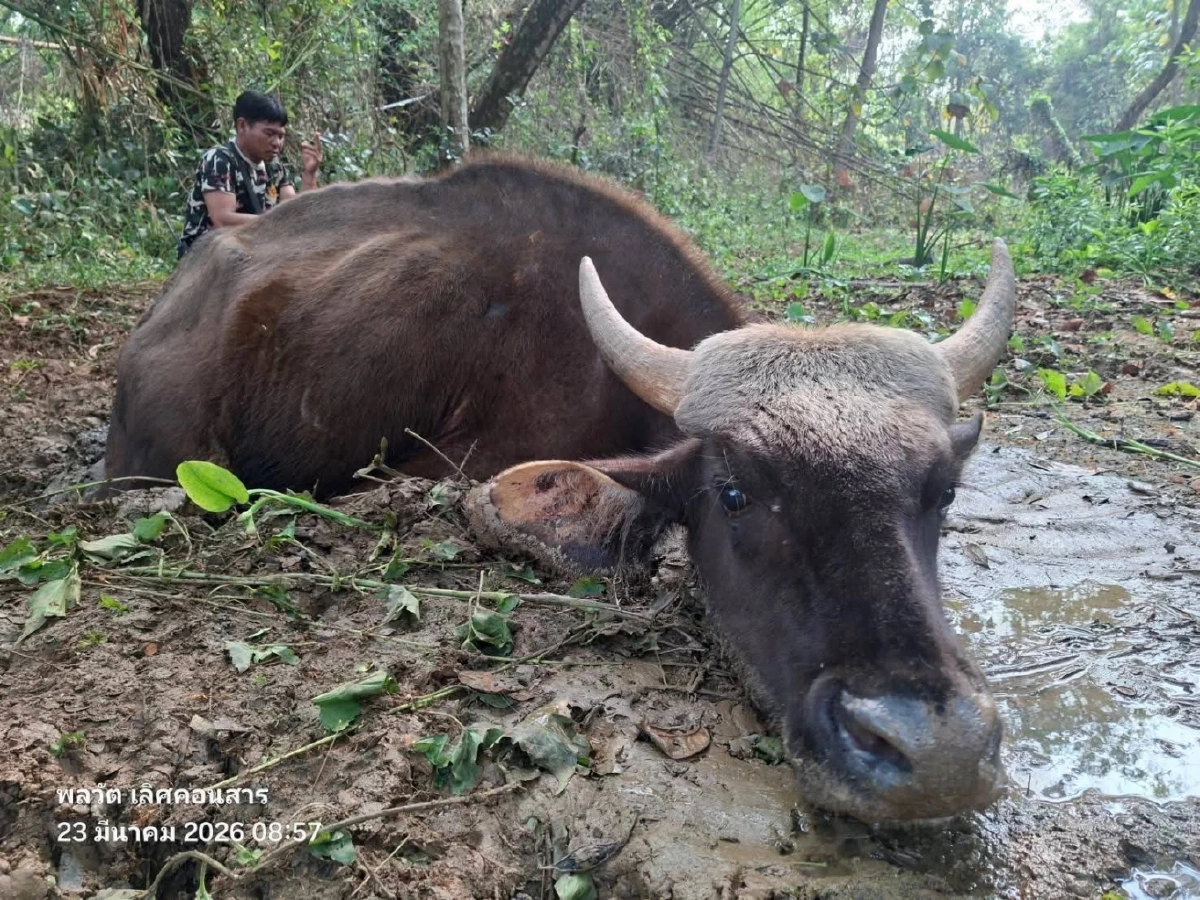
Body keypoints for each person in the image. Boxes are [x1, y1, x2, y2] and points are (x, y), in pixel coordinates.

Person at [176, 90, 323, 258]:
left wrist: (309, 174)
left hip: (252, 252)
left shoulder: (275, 168)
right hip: (206, 258)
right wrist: (279, 222)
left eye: (281, 136)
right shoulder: (219, 160)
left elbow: (296, 212)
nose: (277, 143)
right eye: (269, 133)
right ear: (242, 126)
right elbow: (223, 220)